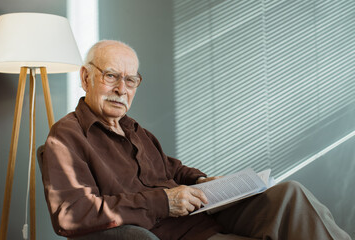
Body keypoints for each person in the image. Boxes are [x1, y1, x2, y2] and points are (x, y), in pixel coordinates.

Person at [41, 40, 351, 240]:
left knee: (289, 195)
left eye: (131, 79)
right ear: (85, 78)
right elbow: (72, 213)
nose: (122, 89)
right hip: (173, 234)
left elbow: (172, 170)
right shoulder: (67, 137)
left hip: (206, 218)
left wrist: (204, 180)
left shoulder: (136, 130)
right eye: (111, 76)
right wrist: (164, 202)